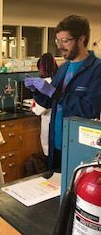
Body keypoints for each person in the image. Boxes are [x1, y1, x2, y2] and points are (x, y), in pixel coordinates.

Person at [24, 15, 101, 171]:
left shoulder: (97, 70)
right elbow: (48, 102)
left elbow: (90, 109)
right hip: (56, 144)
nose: (59, 46)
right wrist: (37, 90)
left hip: (79, 146)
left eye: (65, 41)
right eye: (57, 41)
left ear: (81, 39)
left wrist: (55, 93)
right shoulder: (64, 68)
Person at [31, 53, 58, 158]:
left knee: (48, 153)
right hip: (58, 122)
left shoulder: (42, 83)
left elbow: (40, 110)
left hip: (48, 121)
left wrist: (33, 107)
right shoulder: (57, 79)